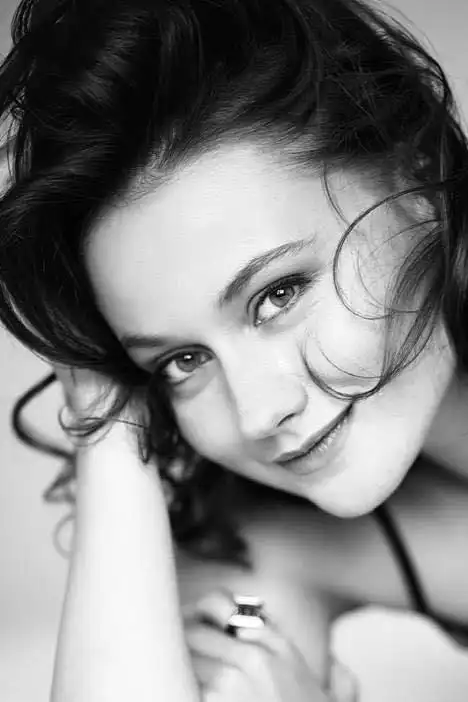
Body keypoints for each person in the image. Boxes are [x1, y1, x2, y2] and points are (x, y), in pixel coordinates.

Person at [1, 0, 468, 699]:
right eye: (181, 361)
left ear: (416, 173)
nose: (256, 413)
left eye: (278, 295)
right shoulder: (280, 555)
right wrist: (102, 420)